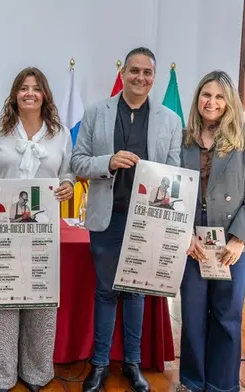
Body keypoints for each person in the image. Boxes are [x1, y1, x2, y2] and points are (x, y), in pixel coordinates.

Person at [70, 47, 181, 392]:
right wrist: (108, 161)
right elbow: (77, 163)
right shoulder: (95, 112)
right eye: (134, 71)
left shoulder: (171, 120)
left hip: (148, 222)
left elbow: (176, 173)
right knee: (105, 292)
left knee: (135, 294)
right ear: (124, 73)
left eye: (147, 72)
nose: (140, 78)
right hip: (107, 219)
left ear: (154, 77)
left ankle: (132, 364)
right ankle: (100, 364)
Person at [0, 67, 74, 392]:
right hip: (5, 231)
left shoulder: (59, 132)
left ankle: (35, 371)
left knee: (41, 301)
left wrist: (67, 187)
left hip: (43, 233)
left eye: (36, 88)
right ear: (15, 94)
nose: (29, 93)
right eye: (23, 88)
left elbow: (68, 175)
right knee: (1, 300)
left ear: (45, 94)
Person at [177, 71, 245, 392]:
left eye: (219, 96)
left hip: (234, 240)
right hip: (193, 240)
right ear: (197, 99)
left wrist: (239, 238)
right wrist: (184, 234)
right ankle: (191, 380)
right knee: (193, 314)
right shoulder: (184, 137)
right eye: (206, 95)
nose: (211, 102)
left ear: (229, 101)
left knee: (227, 316)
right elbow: (173, 190)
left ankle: (222, 386)